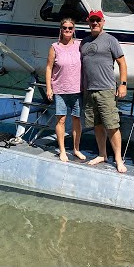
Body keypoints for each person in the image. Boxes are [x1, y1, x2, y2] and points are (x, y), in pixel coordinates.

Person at [80, 10, 128, 173]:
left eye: (98, 20)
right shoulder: (84, 42)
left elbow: (122, 62)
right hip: (89, 90)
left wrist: (122, 84)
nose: (95, 23)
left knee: (112, 125)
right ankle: (102, 154)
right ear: (88, 22)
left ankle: (118, 159)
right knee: (97, 125)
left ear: (103, 22)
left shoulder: (110, 40)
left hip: (106, 89)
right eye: (92, 20)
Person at [45, 17, 86, 162]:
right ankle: (62, 150)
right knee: (61, 120)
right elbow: (49, 68)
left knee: (76, 119)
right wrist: (49, 88)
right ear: (61, 30)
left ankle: (76, 149)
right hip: (60, 89)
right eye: (65, 28)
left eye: (70, 28)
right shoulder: (54, 47)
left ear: (74, 30)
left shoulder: (80, 45)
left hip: (77, 89)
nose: (67, 30)